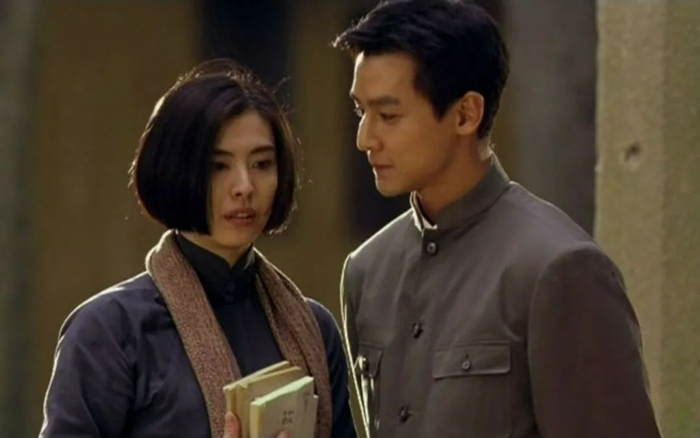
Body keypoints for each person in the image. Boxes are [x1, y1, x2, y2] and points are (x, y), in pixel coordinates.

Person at [332, 1, 661, 437]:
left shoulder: (558, 268)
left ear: (466, 114)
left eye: (388, 116)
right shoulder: (367, 272)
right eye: (361, 112)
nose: (365, 138)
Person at [40, 60, 356, 438]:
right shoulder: (111, 330)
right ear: (175, 170)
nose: (244, 186)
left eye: (261, 164)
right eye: (218, 166)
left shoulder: (313, 328)